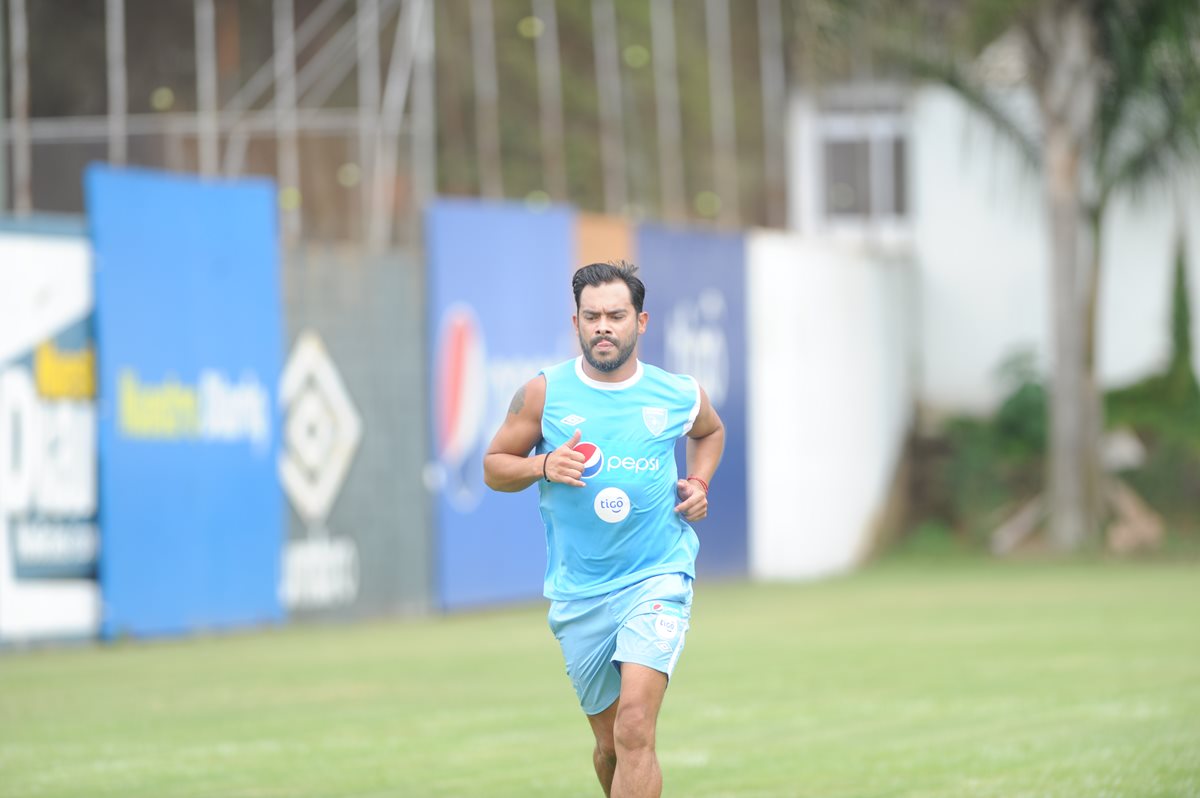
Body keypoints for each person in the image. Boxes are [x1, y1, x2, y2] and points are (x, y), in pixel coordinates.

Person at [482, 261, 725, 798]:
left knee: (635, 728)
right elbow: (494, 467)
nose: (603, 327)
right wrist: (543, 465)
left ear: (641, 321)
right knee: (611, 746)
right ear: (576, 323)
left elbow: (710, 432)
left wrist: (698, 483)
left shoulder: (676, 392)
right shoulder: (544, 393)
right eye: (591, 317)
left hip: (657, 576)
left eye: (615, 316)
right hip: (580, 593)